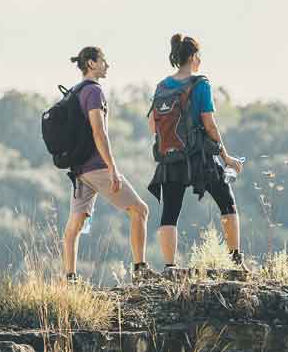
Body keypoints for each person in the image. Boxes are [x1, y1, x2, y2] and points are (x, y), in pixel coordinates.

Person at [146, 34, 246, 270]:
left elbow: (153, 124)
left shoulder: (162, 86)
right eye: (198, 55)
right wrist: (227, 158)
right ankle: (235, 261)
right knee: (227, 202)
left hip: (170, 159)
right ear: (192, 57)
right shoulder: (200, 84)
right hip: (199, 157)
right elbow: (209, 124)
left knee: (170, 211)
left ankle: (170, 267)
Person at [60, 46, 154, 282]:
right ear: (91, 63)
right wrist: (112, 168)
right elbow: (98, 131)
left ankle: (69, 278)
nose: (107, 65)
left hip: (79, 169)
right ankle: (140, 270)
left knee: (76, 224)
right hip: (97, 166)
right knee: (140, 210)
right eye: (103, 60)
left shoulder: (75, 91)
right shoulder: (93, 92)